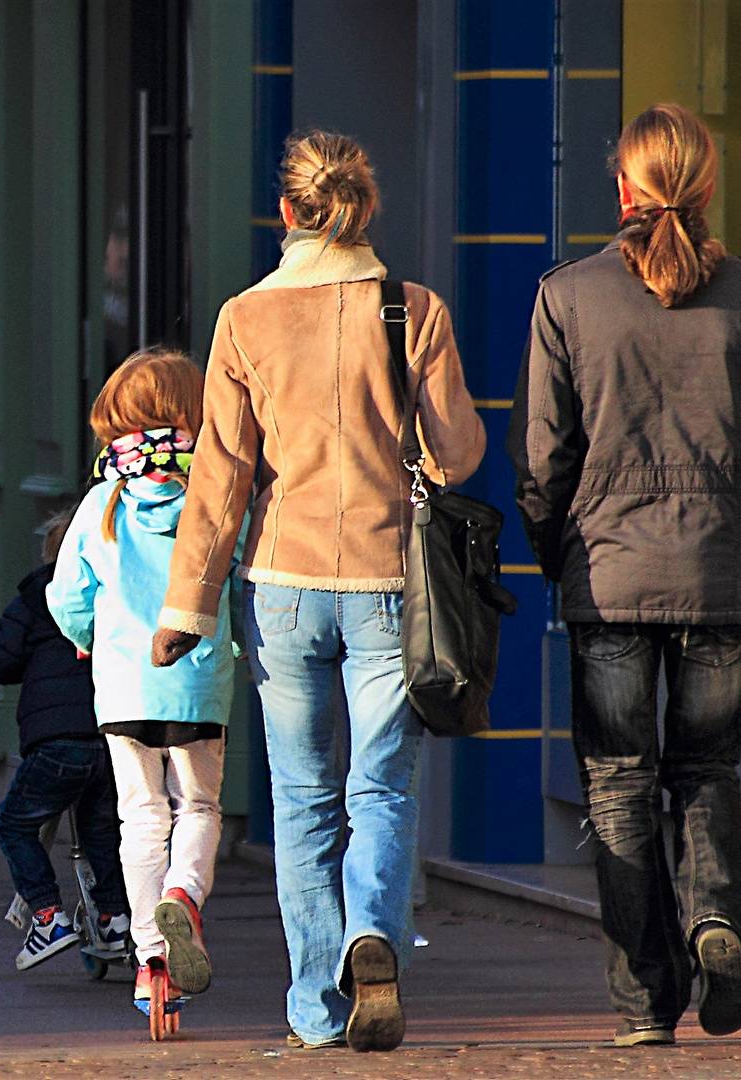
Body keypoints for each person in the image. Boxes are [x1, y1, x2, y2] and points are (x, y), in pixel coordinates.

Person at [155, 130, 484, 1053]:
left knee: (301, 799)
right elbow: (456, 454)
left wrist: (186, 607)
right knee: (380, 786)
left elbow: (218, 480)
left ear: (288, 213)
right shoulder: (411, 308)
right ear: (363, 209)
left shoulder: (242, 321)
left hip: (283, 585)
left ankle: (313, 1007)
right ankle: (373, 932)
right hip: (387, 579)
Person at [508, 102, 741, 1047]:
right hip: (717, 571)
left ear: (624, 189)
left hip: (605, 577)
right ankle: (716, 919)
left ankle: (647, 998)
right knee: (708, 769)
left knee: (616, 782)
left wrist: (555, 549)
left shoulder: (568, 296)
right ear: (706, 187)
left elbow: (542, 458)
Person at [48, 348, 240, 1031]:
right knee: (200, 808)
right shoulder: (214, 498)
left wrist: (85, 637)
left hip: (124, 686)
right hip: (198, 678)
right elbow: (239, 573)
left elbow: (67, 595)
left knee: (141, 816)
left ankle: (150, 955)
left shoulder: (102, 503)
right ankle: (184, 897)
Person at [0, 509, 131, 972]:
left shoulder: (37, 597)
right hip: (111, 736)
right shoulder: (119, 594)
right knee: (103, 833)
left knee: (15, 824)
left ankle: (48, 918)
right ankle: (114, 919)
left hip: (58, 742)